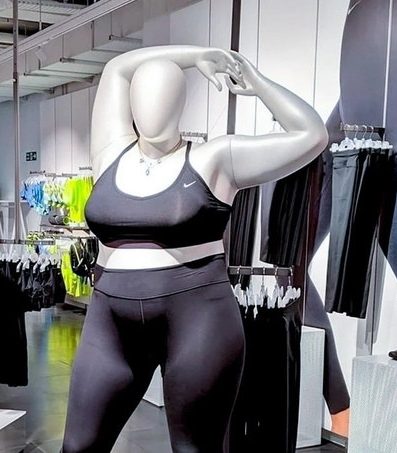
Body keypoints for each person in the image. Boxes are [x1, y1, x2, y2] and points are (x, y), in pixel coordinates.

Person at [61, 45, 328, 452]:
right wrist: (200, 53)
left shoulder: (215, 158)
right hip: (110, 318)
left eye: (165, 94)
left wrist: (254, 80)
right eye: (144, 94)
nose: (153, 106)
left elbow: (312, 135)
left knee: (195, 449)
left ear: (181, 102)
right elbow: (117, 66)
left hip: (197, 316)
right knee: (78, 447)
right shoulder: (109, 152)